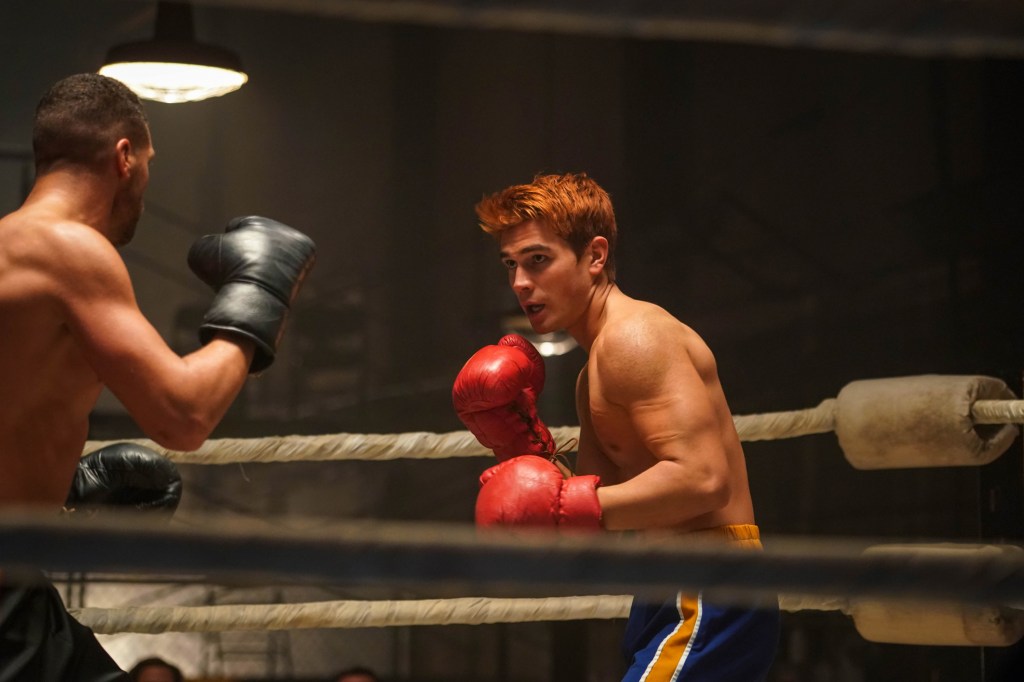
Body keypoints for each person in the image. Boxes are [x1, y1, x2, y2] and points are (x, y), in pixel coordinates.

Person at [0, 73, 316, 681]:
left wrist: (58, 492)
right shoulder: (70, 250)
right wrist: (260, 292)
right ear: (124, 158)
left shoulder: (13, 245)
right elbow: (184, 414)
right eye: (147, 165)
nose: (145, 185)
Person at [453, 172, 779, 681]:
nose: (519, 282)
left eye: (538, 259)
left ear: (595, 256)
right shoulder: (593, 372)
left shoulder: (636, 340)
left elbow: (703, 479)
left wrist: (565, 507)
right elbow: (592, 523)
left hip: (710, 584)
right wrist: (519, 445)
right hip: (667, 586)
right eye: (511, 264)